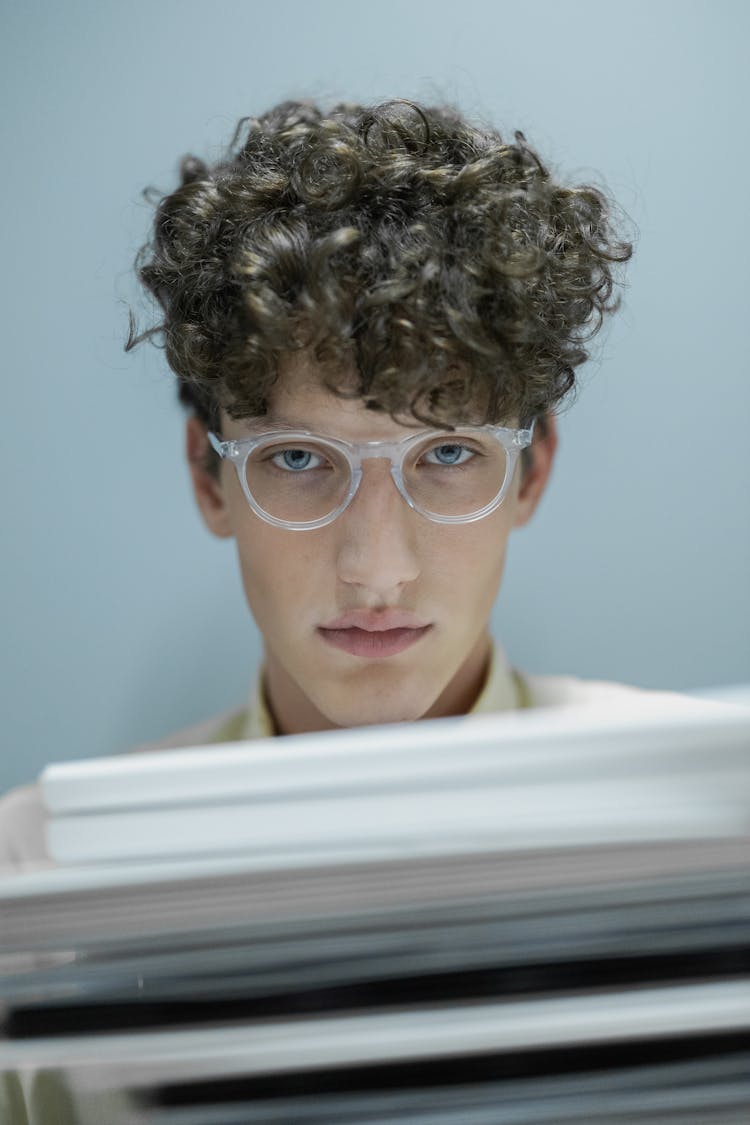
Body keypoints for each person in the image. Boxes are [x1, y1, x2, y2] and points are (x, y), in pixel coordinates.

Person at [1, 97, 659, 868]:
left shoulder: (701, 814)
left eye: (446, 454)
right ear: (208, 478)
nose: (377, 570)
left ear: (530, 471)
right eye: (298, 459)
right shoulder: (42, 870)